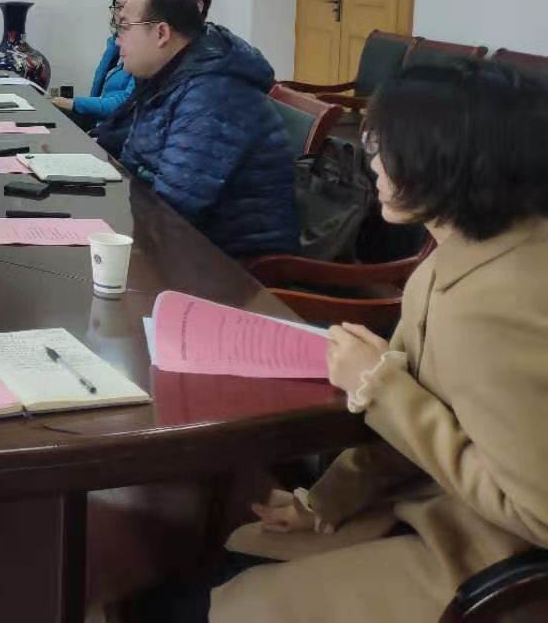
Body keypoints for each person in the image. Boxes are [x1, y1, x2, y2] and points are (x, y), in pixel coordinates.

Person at [133, 60, 548, 622]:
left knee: (201, 601)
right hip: (433, 513)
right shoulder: (455, 254)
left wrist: (380, 387)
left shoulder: (503, 301)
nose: (373, 162)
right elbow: (414, 413)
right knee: (201, 573)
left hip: (491, 566)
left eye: (386, 148)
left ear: (447, 162)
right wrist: (327, 499)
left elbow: (534, 512)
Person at [94, 0, 296, 257]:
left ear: (161, 33)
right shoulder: (166, 78)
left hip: (232, 261)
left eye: (124, 27)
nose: (117, 40)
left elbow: (176, 208)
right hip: (177, 239)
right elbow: (134, 162)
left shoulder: (214, 94)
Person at [52, 0, 146, 130]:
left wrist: (73, 103)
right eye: (118, 7)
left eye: (127, 7)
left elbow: (125, 102)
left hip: (115, 130)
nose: (121, 14)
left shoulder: (145, 52)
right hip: (98, 124)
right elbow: (98, 92)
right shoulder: (114, 44)